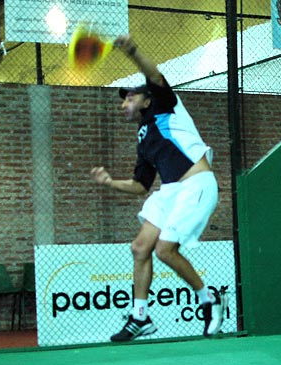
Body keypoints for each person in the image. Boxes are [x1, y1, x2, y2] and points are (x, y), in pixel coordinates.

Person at [90, 35, 222, 342]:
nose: (124, 104)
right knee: (140, 248)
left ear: (147, 100)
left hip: (196, 185)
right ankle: (140, 317)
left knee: (164, 250)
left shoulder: (166, 106)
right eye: (123, 100)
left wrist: (132, 51)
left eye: (130, 98)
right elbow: (140, 186)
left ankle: (209, 299)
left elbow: (154, 75)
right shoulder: (143, 138)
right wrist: (110, 182)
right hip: (170, 191)